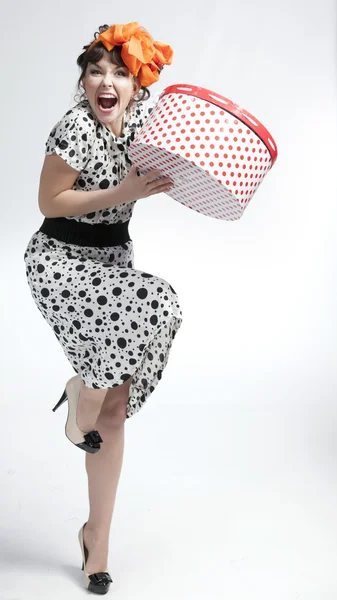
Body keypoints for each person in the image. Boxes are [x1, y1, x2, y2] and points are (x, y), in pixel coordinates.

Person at [23, 22, 183, 595]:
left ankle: (98, 542)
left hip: (113, 264)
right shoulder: (73, 129)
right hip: (60, 266)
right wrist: (123, 194)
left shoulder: (141, 121)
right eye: (96, 70)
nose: (106, 82)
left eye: (120, 72)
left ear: (137, 87)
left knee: (112, 410)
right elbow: (48, 201)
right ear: (83, 80)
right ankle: (81, 393)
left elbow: (176, 149)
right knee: (158, 298)